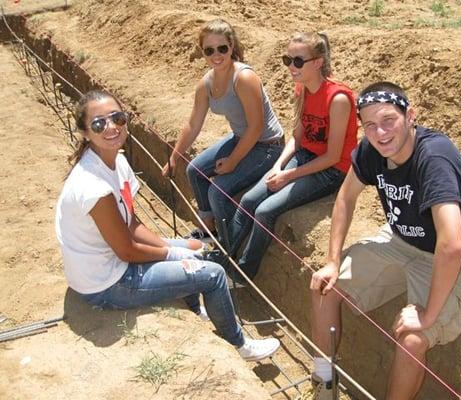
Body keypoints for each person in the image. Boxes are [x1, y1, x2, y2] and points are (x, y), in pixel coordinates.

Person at [55, 90, 280, 362]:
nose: (112, 127)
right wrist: (170, 253)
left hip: (108, 263)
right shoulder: (94, 186)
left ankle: (195, 309)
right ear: (85, 132)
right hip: (107, 284)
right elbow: (126, 251)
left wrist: (172, 247)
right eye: (99, 123)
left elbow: (132, 223)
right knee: (214, 274)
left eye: (117, 118)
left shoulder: (116, 160)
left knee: (195, 246)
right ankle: (241, 345)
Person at [308, 81, 461, 399]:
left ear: (410, 116)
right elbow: (345, 198)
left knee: (412, 339)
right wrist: (332, 261)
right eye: (370, 126)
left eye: (388, 120)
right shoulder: (372, 149)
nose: (380, 133)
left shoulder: (434, 157)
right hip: (400, 240)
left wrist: (428, 314)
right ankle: (323, 383)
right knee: (325, 288)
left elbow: (453, 244)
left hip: (454, 260)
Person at [227, 32, 357, 281]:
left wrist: (288, 175)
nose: (291, 66)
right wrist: (278, 166)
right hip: (306, 156)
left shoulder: (338, 99)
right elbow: (297, 137)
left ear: (318, 62)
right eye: (288, 60)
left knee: (265, 211)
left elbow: (332, 157)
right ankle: (225, 254)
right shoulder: (303, 89)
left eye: (298, 61)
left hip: (332, 171)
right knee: (248, 201)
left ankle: (243, 273)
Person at [162, 18, 283, 243]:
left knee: (218, 191)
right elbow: (193, 124)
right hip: (241, 138)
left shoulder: (244, 78)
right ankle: (209, 230)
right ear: (203, 52)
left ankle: (228, 250)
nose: (216, 55)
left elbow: (256, 127)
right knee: (195, 171)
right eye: (209, 50)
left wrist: (233, 162)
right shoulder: (206, 83)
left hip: (268, 146)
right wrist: (174, 157)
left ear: (232, 46)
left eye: (222, 48)